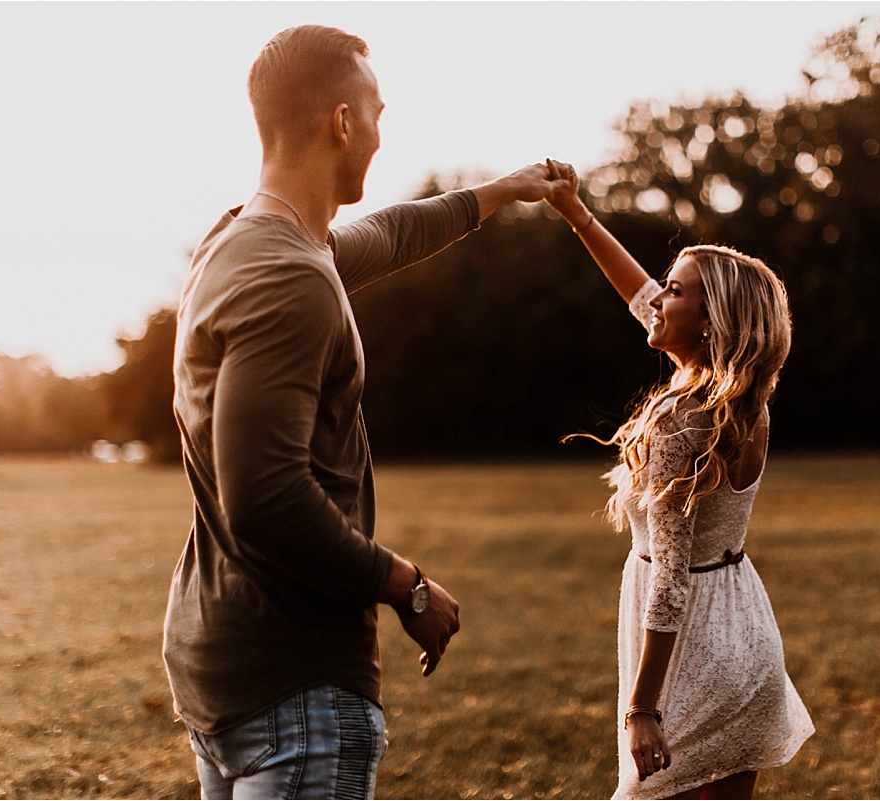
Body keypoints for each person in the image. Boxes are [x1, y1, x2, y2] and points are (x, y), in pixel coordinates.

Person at [162, 25, 562, 800]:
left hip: (227, 665)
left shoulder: (240, 244)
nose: (381, 133)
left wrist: (500, 192)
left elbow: (388, 233)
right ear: (342, 121)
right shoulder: (291, 277)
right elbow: (266, 497)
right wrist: (406, 584)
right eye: (377, 112)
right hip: (296, 682)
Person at [544, 160, 814, 800]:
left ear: (709, 320)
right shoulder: (742, 403)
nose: (655, 301)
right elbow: (639, 294)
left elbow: (668, 579)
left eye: (673, 291)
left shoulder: (679, 423)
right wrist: (577, 216)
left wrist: (643, 709)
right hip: (743, 634)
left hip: (690, 657)